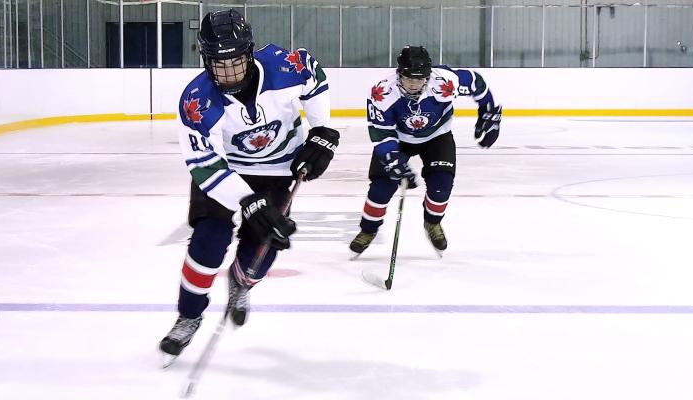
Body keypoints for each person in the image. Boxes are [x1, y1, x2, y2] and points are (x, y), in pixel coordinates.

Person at [159, 9, 339, 364]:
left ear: (250, 51)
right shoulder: (197, 100)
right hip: (227, 174)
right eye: (218, 63)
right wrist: (246, 201)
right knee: (208, 241)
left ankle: (242, 282)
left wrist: (321, 130)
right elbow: (204, 165)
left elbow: (313, 76)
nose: (228, 72)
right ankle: (189, 314)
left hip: (278, 168)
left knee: (266, 243)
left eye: (235, 61)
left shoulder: (283, 65)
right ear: (205, 59)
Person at [349, 46, 501, 257]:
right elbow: (380, 134)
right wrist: (393, 159)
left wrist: (489, 111)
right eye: (408, 78)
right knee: (381, 188)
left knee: (442, 185)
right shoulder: (382, 92)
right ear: (399, 73)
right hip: (399, 139)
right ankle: (368, 230)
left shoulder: (445, 82)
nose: (414, 84)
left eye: (420, 79)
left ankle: (432, 223)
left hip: (437, 136)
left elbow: (476, 82)